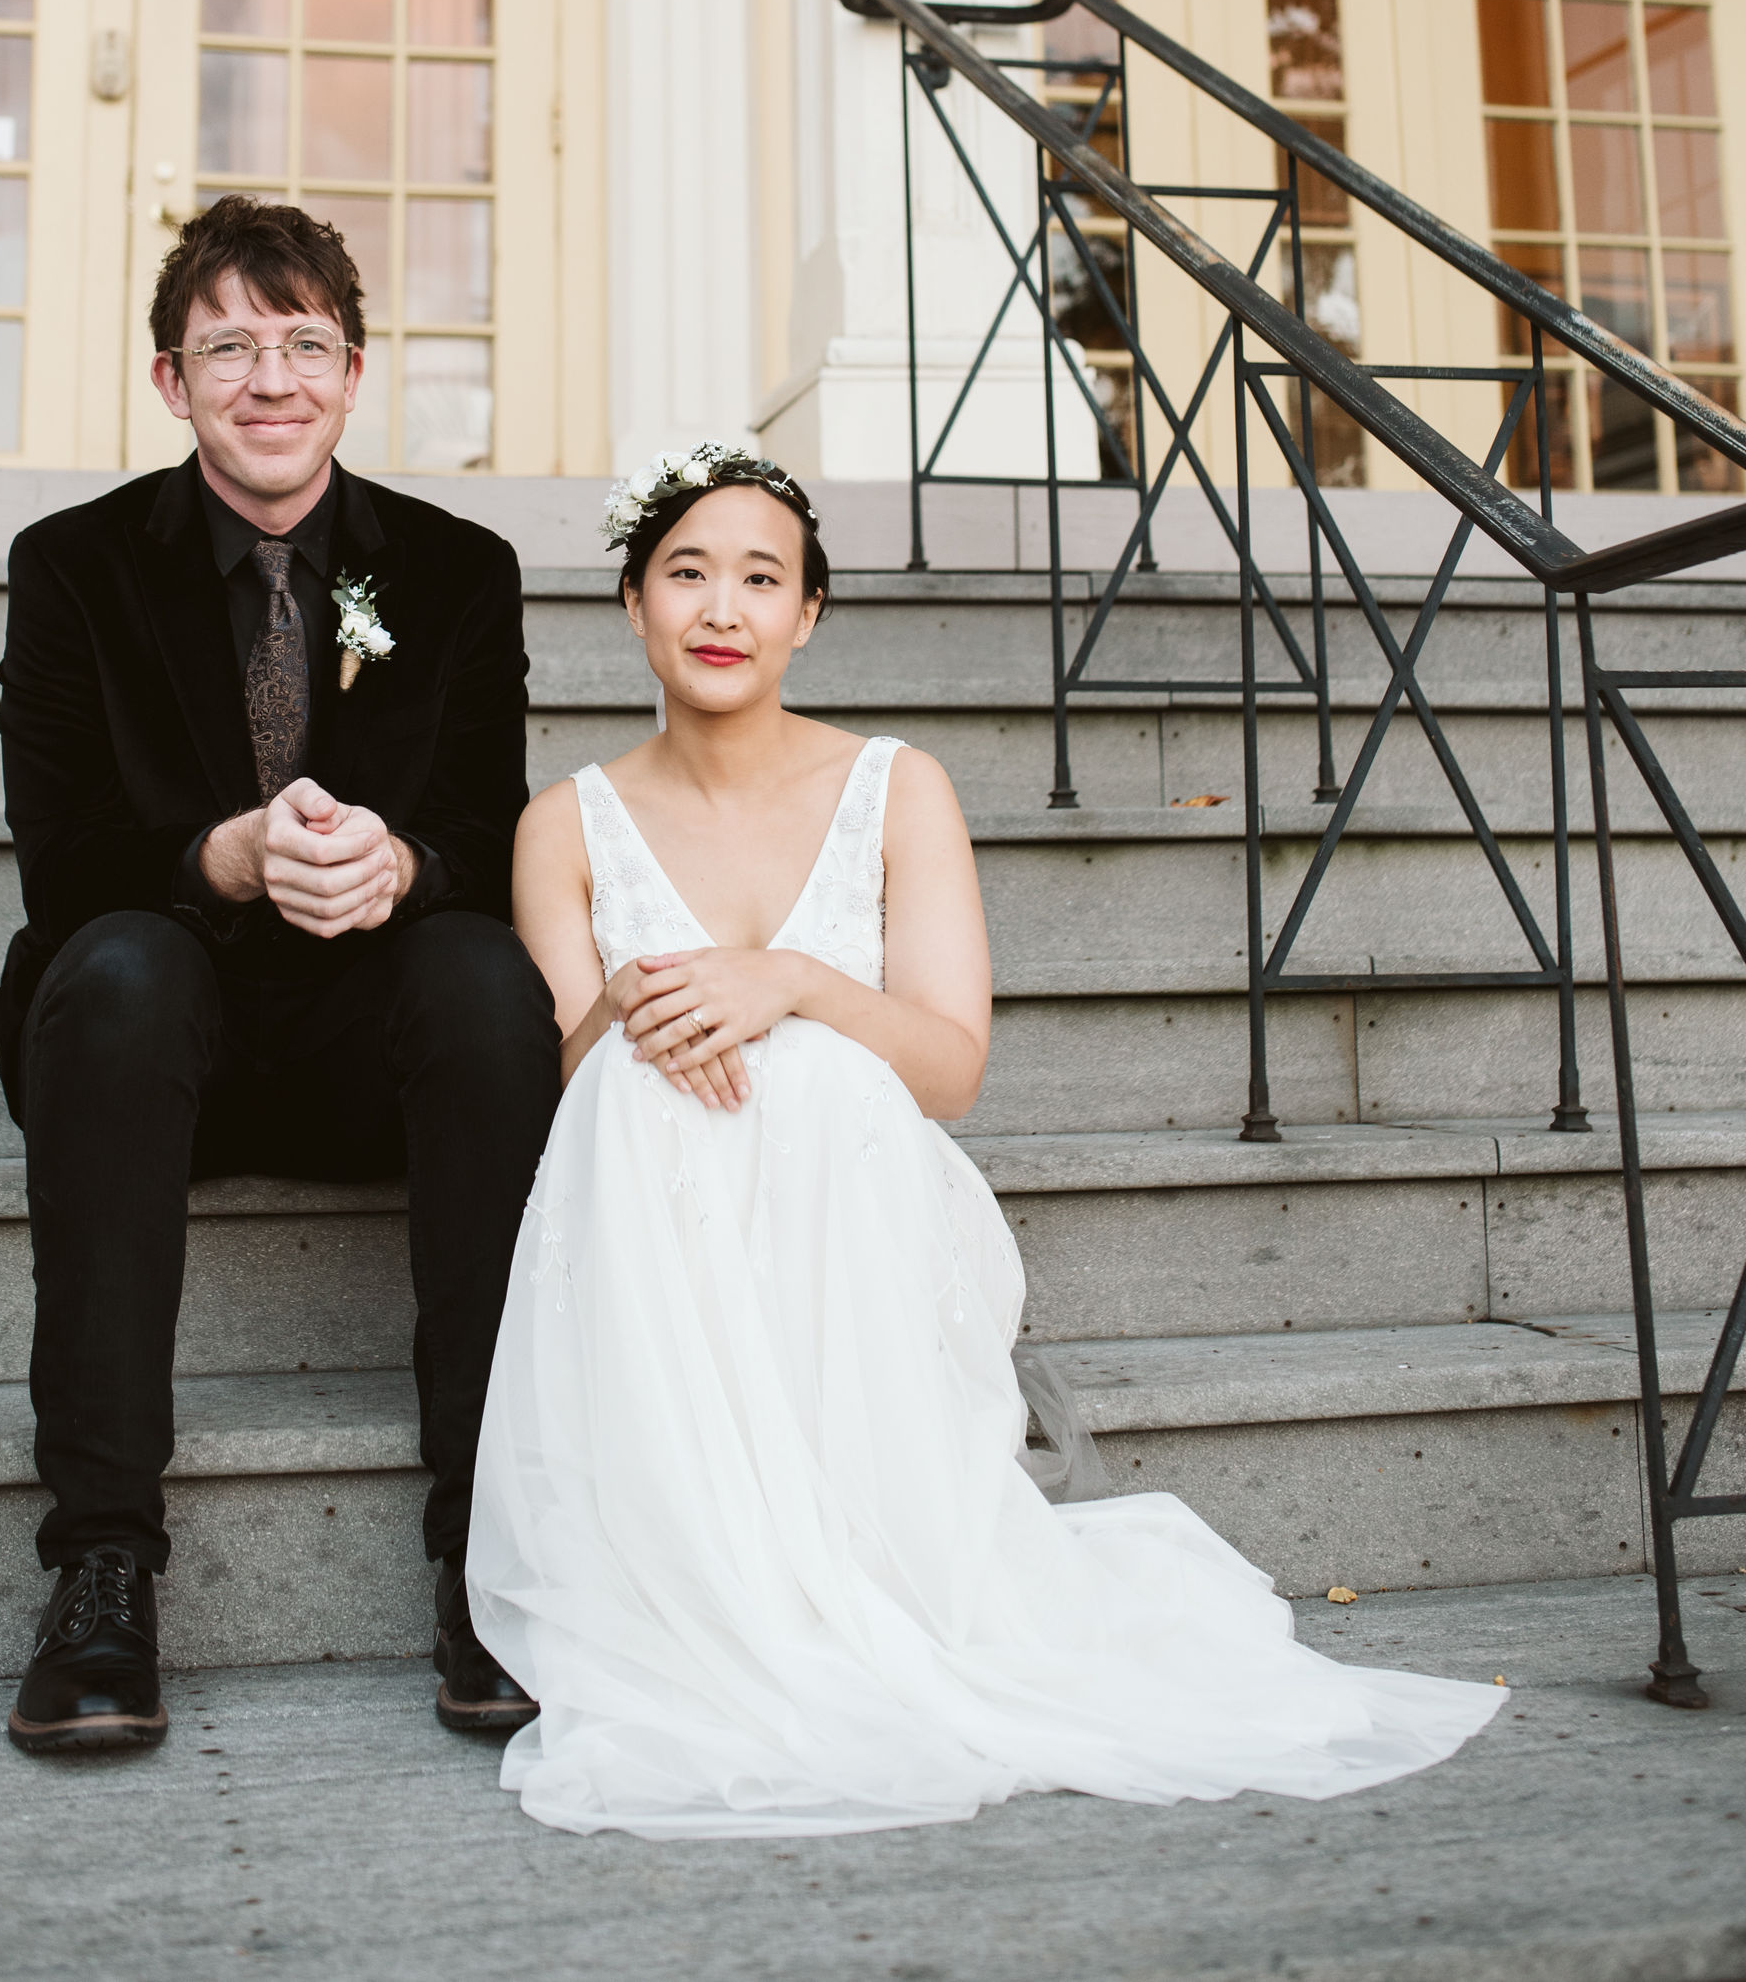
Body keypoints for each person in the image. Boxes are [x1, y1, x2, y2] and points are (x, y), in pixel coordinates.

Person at [466, 444, 1506, 1837]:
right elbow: (573, 1068)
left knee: (824, 1074)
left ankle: (857, 1559)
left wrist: (789, 984)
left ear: (810, 613)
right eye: (688, 574)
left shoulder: (900, 789)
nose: (723, 606)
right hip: (665, 1258)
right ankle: (714, 1549)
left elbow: (949, 1068)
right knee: (634, 1088)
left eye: (762, 577)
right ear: (636, 608)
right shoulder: (563, 824)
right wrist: (655, 1002)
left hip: (863, 1226)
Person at [0, 194, 559, 1754]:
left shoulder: (455, 569)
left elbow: (485, 825)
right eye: (228, 344)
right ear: (170, 381)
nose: (270, 379)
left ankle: (490, 1559)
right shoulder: (74, 568)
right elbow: (67, 853)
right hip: (157, 1030)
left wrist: (405, 868)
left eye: (304, 342)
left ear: (356, 371)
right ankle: (103, 1563)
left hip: (367, 1029)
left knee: (482, 977)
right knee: (109, 966)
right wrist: (223, 858)